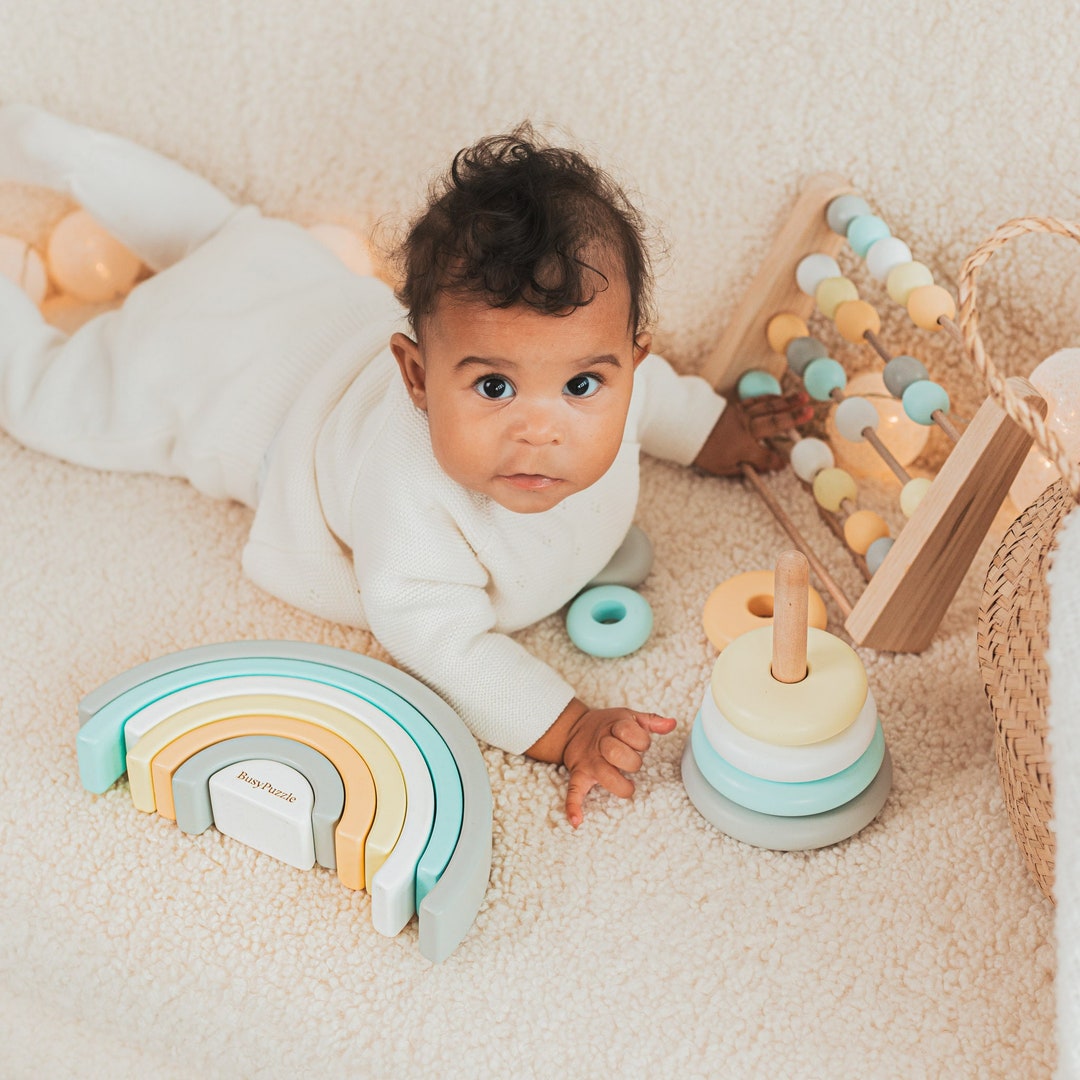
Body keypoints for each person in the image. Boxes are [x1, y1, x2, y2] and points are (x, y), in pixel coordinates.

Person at [0, 105, 811, 825]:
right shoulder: (408, 499)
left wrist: (716, 431)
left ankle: (53, 144)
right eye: (493, 385)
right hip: (215, 379)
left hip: (292, 281)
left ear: (628, 365)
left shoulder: (620, 386)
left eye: (582, 385)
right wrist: (566, 729)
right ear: (416, 376)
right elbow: (440, 640)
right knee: (43, 399)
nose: (540, 430)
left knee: (219, 232)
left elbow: (657, 399)